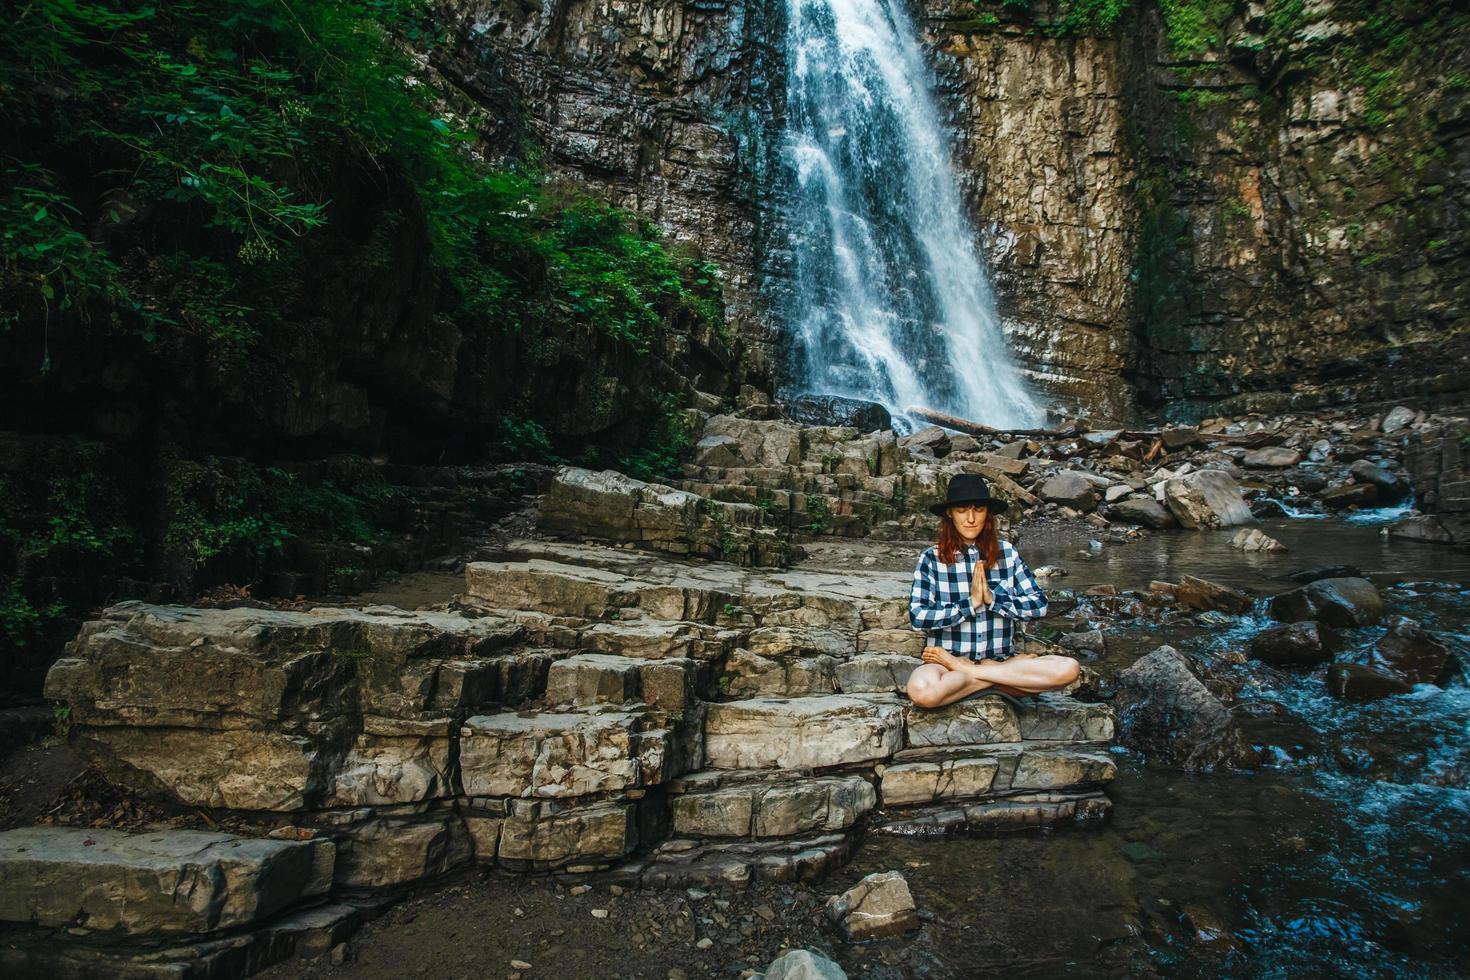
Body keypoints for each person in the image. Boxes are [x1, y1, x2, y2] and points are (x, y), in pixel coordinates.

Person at [906, 473, 1078, 708]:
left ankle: (978, 673)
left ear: (987, 513)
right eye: (961, 510)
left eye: (978, 510)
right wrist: (970, 603)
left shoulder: (1006, 553)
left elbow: (1039, 605)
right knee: (924, 693)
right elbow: (918, 617)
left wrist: (994, 599)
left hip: (998, 660)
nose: (970, 519)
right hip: (948, 664)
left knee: (1069, 670)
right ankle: (993, 677)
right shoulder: (931, 559)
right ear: (949, 514)